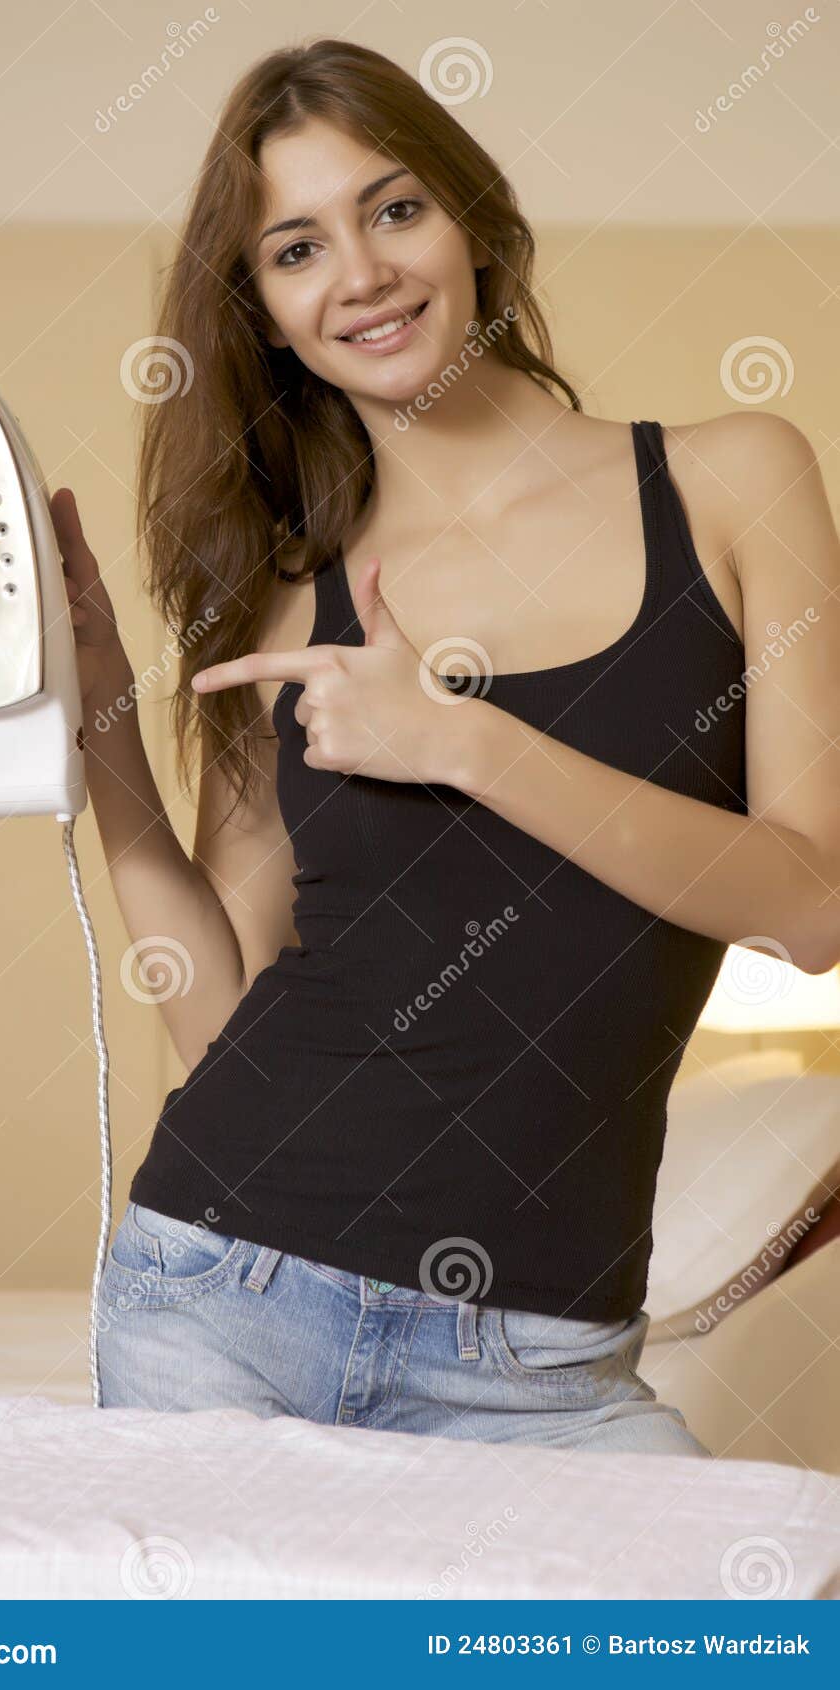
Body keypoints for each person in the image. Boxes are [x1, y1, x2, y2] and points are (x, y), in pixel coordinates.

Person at [52, 40, 840, 1457]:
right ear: (268, 314)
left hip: (547, 1363)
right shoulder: (291, 594)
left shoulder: (737, 482)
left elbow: (816, 901)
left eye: (394, 208)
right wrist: (101, 717)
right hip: (224, 1293)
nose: (359, 271)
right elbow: (220, 1013)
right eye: (297, 247)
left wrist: (465, 741)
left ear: (472, 220)